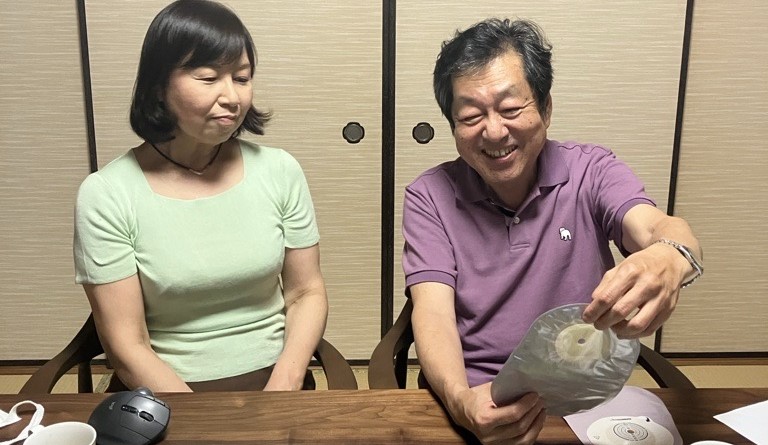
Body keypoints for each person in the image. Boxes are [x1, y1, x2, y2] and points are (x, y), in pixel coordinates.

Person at [402, 18, 703, 444]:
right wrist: (461, 401)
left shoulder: (591, 170)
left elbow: (657, 226)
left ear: (545, 108)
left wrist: (670, 255)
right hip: (482, 396)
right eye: (470, 115)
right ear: (453, 124)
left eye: (511, 109)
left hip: (586, 396)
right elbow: (433, 313)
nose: (494, 131)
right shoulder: (429, 195)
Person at [73, 0, 328, 392]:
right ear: (159, 87)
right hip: (165, 390)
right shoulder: (107, 194)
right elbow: (127, 346)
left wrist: (286, 382)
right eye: (208, 78)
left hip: (277, 380)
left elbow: (305, 292)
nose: (232, 97)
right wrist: (200, 415)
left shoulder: (279, 170)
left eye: (241, 78)